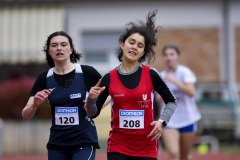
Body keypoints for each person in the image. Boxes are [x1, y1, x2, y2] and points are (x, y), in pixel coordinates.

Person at [85, 10, 177, 160]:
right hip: (118, 146)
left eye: (140, 46)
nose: (134, 47)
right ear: (122, 44)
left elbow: (171, 101)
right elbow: (92, 113)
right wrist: (91, 100)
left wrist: (162, 121)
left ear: (143, 53)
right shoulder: (109, 78)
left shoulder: (151, 74)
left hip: (147, 147)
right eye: (131, 42)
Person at [22, 31, 102, 160]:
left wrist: (92, 104)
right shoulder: (44, 78)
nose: (59, 48)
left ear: (71, 49)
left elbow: (109, 94)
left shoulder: (86, 72)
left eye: (64, 44)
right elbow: (25, 115)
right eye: (54, 45)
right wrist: (34, 105)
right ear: (48, 51)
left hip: (84, 142)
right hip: (57, 145)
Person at [158, 44, 201, 160]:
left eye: (172, 54)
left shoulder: (185, 72)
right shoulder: (161, 75)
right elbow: (158, 99)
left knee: (184, 156)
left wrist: (174, 81)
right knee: (173, 152)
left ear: (177, 56)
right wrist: (163, 90)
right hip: (170, 119)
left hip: (187, 118)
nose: (169, 57)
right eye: (166, 55)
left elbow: (191, 92)